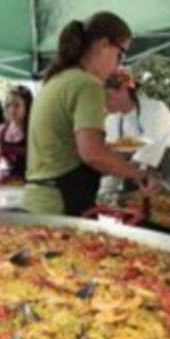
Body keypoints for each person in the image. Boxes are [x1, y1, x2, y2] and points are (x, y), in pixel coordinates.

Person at [23, 12, 157, 216]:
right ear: (104, 44)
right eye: (120, 54)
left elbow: (67, 150)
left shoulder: (55, 81)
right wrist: (139, 174)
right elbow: (92, 153)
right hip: (61, 204)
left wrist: (116, 160)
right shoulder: (87, 85)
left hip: (38, 201)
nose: (118, 65)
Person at [104, 70, 170, 185]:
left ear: (123, 89)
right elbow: (113, 154)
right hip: (135, 175)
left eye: (106, 95)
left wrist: (129, 168)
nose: (102, 101)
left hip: (168, 170)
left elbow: (152, 144)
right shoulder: (111, 121)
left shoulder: (155, 109)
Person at [0, 86, 33, 182]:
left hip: (28, 184)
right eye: (8, 104)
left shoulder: (33, 131)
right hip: (5, 185)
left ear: (27, 107)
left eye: (17, 105)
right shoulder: (1, 130)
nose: (11, 109)